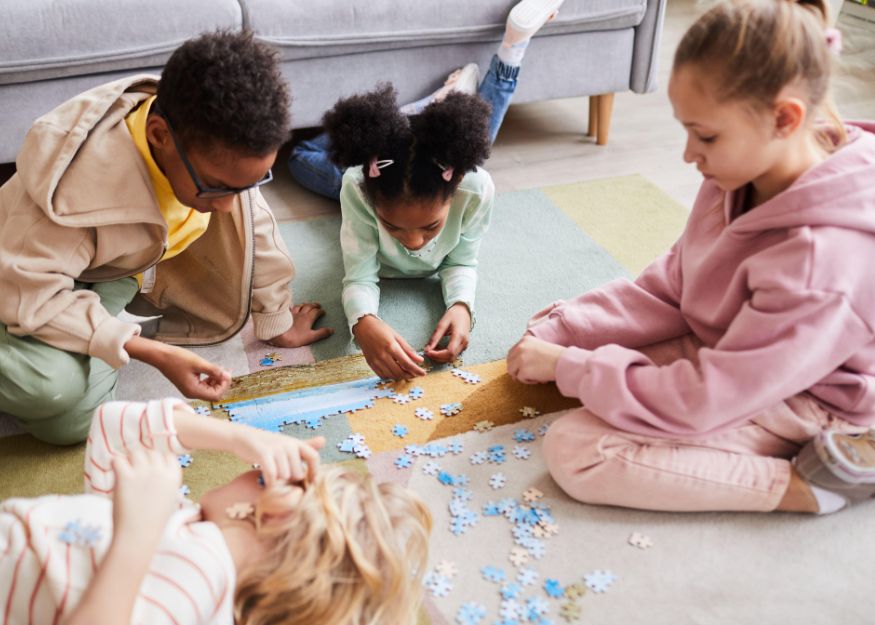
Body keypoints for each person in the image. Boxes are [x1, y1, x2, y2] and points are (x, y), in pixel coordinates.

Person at [507, 0, 875, 514]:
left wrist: (572, 366)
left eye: (705, 135)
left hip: (820, 400)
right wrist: (567, 330)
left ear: (785, 119)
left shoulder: (821, 264)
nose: (688, 154)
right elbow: (676, 284)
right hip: (742, 350)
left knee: (581, 450)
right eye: (685, 130)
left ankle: (816, 488)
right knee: (589, 366)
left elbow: (708, 396)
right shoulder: (737, 172)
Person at [0, 31, 332, 446]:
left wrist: (276, 321)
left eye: (247, 185)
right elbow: (28, 292)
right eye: (217, 188)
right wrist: (153, 353)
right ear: (158, 135)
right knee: (55, 390)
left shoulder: (213, 146)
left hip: (106, 273)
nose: (229, 206)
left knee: (69, 422)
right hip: (18, 275)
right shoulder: (71, 192)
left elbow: (255, 227)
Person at [0, 399, 431, 624]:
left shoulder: (202, 570)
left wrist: (137, 533)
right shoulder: (185, 529)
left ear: (277, 508)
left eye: (260, 473)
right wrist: (234, 435)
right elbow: (112, 429)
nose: (250, 465)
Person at [288, 0, 566, 201]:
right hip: (407, 171)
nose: (415, 242)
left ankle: (509, 51)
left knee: (469, 161)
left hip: (401, 173)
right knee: (468, 158)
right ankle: (422, 110)